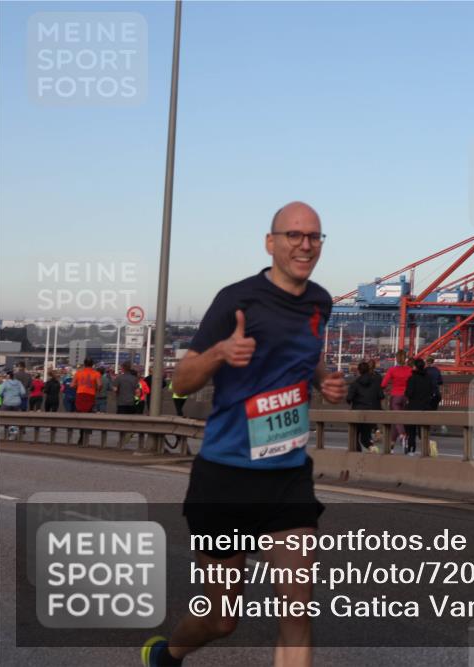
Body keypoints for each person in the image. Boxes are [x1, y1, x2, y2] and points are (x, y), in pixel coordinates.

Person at [142, 201, 346, 667]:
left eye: (314, 236)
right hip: (226, 476)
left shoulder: (321, 302)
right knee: (221, 619)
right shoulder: (236, 300)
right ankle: (167, 654)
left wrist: (324, 379)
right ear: (270, 242)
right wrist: (219, 353)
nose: (305, 245)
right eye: (293, 235)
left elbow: (307, 352)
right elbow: (181, 380)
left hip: (288, 476)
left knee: (297, 612)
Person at [346, 361, 384, 450]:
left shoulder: (355, 384)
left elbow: (349, 399)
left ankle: (357, 455)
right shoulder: (375, 383)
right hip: (370, 413)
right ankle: (373, 448)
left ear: (359, 371)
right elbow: (381, 396)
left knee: (354, 437)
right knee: (365, 438)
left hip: (358, 413)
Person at [381, 349, 413, 452]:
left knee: (395, 418)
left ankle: (403, 435)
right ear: (405, 358)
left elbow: (383, 384)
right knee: (397, 420)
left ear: (396, 358)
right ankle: (392, 444)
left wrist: (388, 390)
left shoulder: (392, 370)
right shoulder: (410, 370)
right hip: (406, 397)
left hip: (395, 396)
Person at [404, 358, 435, 455]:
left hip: (413, 407)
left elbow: (409, 393)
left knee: (411, 431)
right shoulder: (429, 377)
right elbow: (432, 391)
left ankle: (411, 450)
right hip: (426, 407)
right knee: (424, 430)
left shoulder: (412, 378)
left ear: (415, 367)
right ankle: (427, 448)